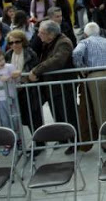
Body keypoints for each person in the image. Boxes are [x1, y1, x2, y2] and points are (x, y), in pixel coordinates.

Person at [29, 20, 79, 154]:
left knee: (68, 115)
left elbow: (57, 60)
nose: (39, 35)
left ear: (51, 34)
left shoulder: (63, 42)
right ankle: (64, 138)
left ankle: (76, 142)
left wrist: (36, 70)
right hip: (53, 87)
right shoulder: (48, 43)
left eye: (41, 33)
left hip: (63, 86)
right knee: (58, 114)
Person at [72, 22, 106, 152]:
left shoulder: (85, 42)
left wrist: (82, 68)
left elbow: (76, 53)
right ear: (99, 32)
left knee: (100, 109)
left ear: (86, 34)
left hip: (96, 76)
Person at [4, 29, 42, 135]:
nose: (14, 45)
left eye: (17, 42)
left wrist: (22, 74)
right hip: (15, 90)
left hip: (29, 89)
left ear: (23, 41)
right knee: (23, 117)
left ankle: (39, 142)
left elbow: (34, 69)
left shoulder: (30, 53)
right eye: (11, 42)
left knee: (34, 117)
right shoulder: (7, 55)